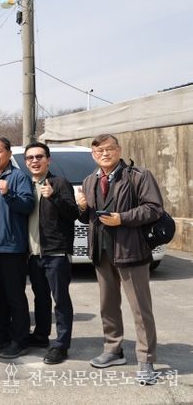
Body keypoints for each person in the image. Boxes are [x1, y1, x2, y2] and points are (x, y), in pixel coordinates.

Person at [75, 134, 163, 385]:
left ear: (119, 150)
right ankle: (113, 349)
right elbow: (87, 219)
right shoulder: (90, 180)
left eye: (109, 149)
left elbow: (154, 208)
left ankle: (146, 359)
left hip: (131, 251)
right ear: (93, 155)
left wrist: (122, 218)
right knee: (108, 305)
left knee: (140, 309)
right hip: (101, 252)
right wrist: (82, 207)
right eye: (98, 151)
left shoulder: (138, 176)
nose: (104, 154)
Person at [0, 137, 35, 359]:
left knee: (14, 296)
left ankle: (20, 340)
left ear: (9, 154)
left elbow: (28, 205)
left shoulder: (18, 177)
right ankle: (1, 334)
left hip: (11, 247)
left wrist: (8, 193)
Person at [24, 142, 77, 365]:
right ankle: (41, 335)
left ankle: (61, 345)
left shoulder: (59, 183)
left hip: (55, 252)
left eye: (39, 157)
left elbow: (73, 213)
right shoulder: (26, 185)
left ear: (48, 160)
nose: (35, 161)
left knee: (60, 300)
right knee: (41, 297)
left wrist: (54, 196)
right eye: (30, 158)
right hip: (34, 253)